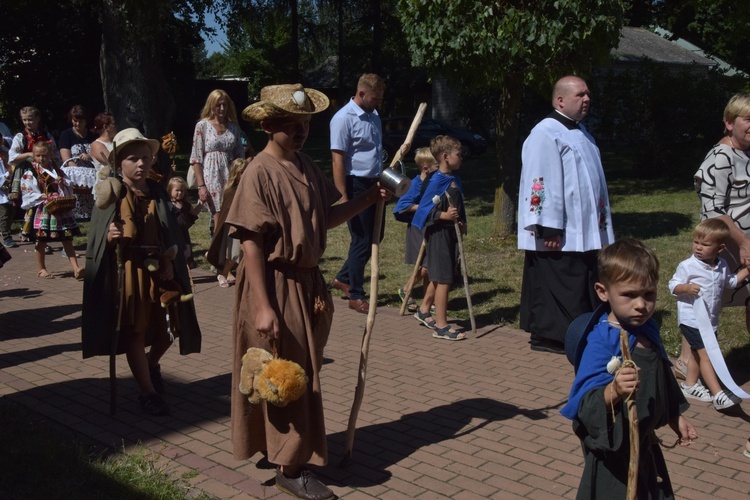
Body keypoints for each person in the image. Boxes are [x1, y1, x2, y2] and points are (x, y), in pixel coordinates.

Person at [227, 83, 389, 500]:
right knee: (286, 373)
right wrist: (264, 307)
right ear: (267, 125)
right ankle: (292, 467)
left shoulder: (305, 166)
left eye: (304, 125)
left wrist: (369, 198)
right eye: (290, 125)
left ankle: (280, 449)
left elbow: (326, 217)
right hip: (275, 284)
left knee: (298, 370)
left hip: (309, 284)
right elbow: (251, 244)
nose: (301, 133)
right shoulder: (258, 172)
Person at [562, 238, 698, 499]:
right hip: (612, 453)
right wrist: (612, 390)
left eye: (649, 294)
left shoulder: (647, 330)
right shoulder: (602, 341)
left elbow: (661, 378)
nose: (641, 304)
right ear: (603, 292)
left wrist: (673, 416)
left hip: (643, 444)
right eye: (629, 295)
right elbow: (584, 403)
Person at [82, 128, 201, 416]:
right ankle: (147, 392)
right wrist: (109, 238)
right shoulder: (111, 193)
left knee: (168, 332)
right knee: (135, 331)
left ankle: (149, 365)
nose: (141, 164)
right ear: (119, 162)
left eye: (146, 158)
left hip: (159, 270)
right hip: (129, 273)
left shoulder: (158, 194)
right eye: (133, 158)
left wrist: (171, 258)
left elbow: (168, 231)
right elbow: (96, 240)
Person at [518, 75, 615, 354]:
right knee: (560, 281)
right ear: (560, 100)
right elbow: (541, 179)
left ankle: (578, 329)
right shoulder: (545, 133)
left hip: (583, 229)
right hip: (559, 232)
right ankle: (553, 335)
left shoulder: (581, 132)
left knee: (580, 277)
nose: (587, 99)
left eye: (588, 95)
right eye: (580, 95)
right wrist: (548, 227)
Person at [685, 93, 750, 381]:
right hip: (724, 249)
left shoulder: (746, 153)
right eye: (747, 119)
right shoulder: (720, 158)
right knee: (705, 305)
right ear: (729, 123)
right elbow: (713, 211)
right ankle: (688, 366)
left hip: (746, 246)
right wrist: (745, 242)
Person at [668, 219, 747, 411]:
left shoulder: (722, 265)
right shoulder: (688, 266)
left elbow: (730, 282)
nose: (698, 248)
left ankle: (689, 385)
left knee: (696, 355)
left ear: (720, 248)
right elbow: (672, 285)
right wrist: (685, 287)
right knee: (708, 356)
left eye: (705, 244)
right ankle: (717, 394)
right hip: (691, 320)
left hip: (710, 322)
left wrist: (746, 271)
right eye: (696, 242)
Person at [329, 73, 386, 313]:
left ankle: (343, 277)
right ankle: (356, 293)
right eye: (375, 98)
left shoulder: (374, 116)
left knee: (376, 235)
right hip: (355, 184)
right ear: (361, 93)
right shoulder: (343, 118)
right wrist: (343, 197)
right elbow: (338, 160)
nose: (378, 102)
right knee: (362, 238)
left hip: (375, 183)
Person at [411, 136, 467, 341]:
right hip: (438, 234)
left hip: (451, 232)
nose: (461, 159)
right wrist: (443, 215)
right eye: (458, 155)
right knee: (443, 279)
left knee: (444, 274)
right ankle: (441, 326)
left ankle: (426, 311)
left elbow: (459, 204)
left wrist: (462, 222)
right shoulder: (435, 181)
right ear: (445, 156)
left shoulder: (454, 180)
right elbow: (424, 210)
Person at [19, 141, 83, 279]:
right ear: (34, 156)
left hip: (59, 208)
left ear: (50, 155)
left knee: (67, 238)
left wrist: (62, 184)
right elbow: (29, 192)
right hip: (44, 210)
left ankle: (76, 268)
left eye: (44, 155)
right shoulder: (32, 172)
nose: (41, 158)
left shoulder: (57, 170)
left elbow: (69, 186)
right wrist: (46, 195)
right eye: (38, 155)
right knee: (41, 240)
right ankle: (41, 268)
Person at [189, 89, 245, 236]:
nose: (221, 108)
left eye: (224, 105)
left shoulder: (233, 127)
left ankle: (230, 247)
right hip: (211, 173)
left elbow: (239, 153)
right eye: (218, 105)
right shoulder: (202, 126)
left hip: (230, 171)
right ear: (211, 106)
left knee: (232, 209)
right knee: (218, 212)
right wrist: (201, 186)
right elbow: (196, 157)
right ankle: (217, 248)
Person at [393, 147, 438, 312]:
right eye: (437, 165)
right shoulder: (414, 184)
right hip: (417, 227)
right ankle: (406, 289)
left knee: (430, 264)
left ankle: (428, 300)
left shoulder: (434, 183)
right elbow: (401, 207)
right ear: (426, 168)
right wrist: (424, 207)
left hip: (430, 226)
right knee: (425, 265)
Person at [9, 106, 61, 243]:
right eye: (24, 120)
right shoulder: (21, 137)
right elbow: (12, 157)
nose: (27, 123)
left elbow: (55, 154)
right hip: (28, 172)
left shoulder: (46, 136)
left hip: (44, 171)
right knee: (31, 202)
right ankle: (28, 231)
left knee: (45, 200)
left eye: (30, 119)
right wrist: (28, 154)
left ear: (38, 119)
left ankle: (44, 230)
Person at [206, 157, 247, 287]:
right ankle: (223, 273)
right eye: (241, 172)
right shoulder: (230, 192)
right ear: (235, 173)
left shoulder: (248, 189)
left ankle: (230, 273)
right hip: (233, 227)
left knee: (244, 253)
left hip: (246, 225)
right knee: (234, 253)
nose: (244, 174)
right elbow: (227, 211)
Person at [59, 105, 97, 220]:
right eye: (74, 121)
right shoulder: (66, 135)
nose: (77, 124)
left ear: (86, 121)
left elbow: (99, 155)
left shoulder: (93, 136)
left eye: (80, 121)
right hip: (74, 172)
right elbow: (66, 158)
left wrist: (89, 156)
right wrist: (78, 174)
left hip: (92, 172)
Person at [167, 176, 201, 269]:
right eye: (177, 190)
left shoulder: (185, 204)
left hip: (184, 233)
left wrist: (201, 202)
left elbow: (194, 212)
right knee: (176, 253)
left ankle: (186, 271)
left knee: (186, 252)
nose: (180, 193)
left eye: (182, 190)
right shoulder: (168, 204)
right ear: (170, 190)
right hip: (173, 233)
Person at [90, 112, 118, 199]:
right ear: (106, 127)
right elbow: (112, 161)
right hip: (106, 184)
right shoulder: (96, 144)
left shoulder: (116, 142)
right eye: (114, 124)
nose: (116, 127)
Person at [0, 154, 15, 248]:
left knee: (11, 213)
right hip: (1, 194)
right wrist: (8, 174)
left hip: (7, 191)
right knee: (4, 215)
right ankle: (6, 237)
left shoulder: (4, 155)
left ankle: (6, 232)